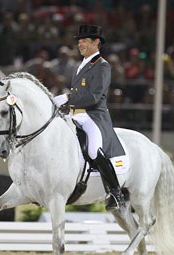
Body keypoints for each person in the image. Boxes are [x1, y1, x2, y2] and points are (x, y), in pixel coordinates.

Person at [53, 24, 125, 210]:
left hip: (93, 116)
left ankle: (116, 193)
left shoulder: (102, 66)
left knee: (93, 150)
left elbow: (93, 97)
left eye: (84, 40)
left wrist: (68, 98)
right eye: (79, 40)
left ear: (96, 43)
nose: (80, 44)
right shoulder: (80, 66)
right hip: (75, 115)